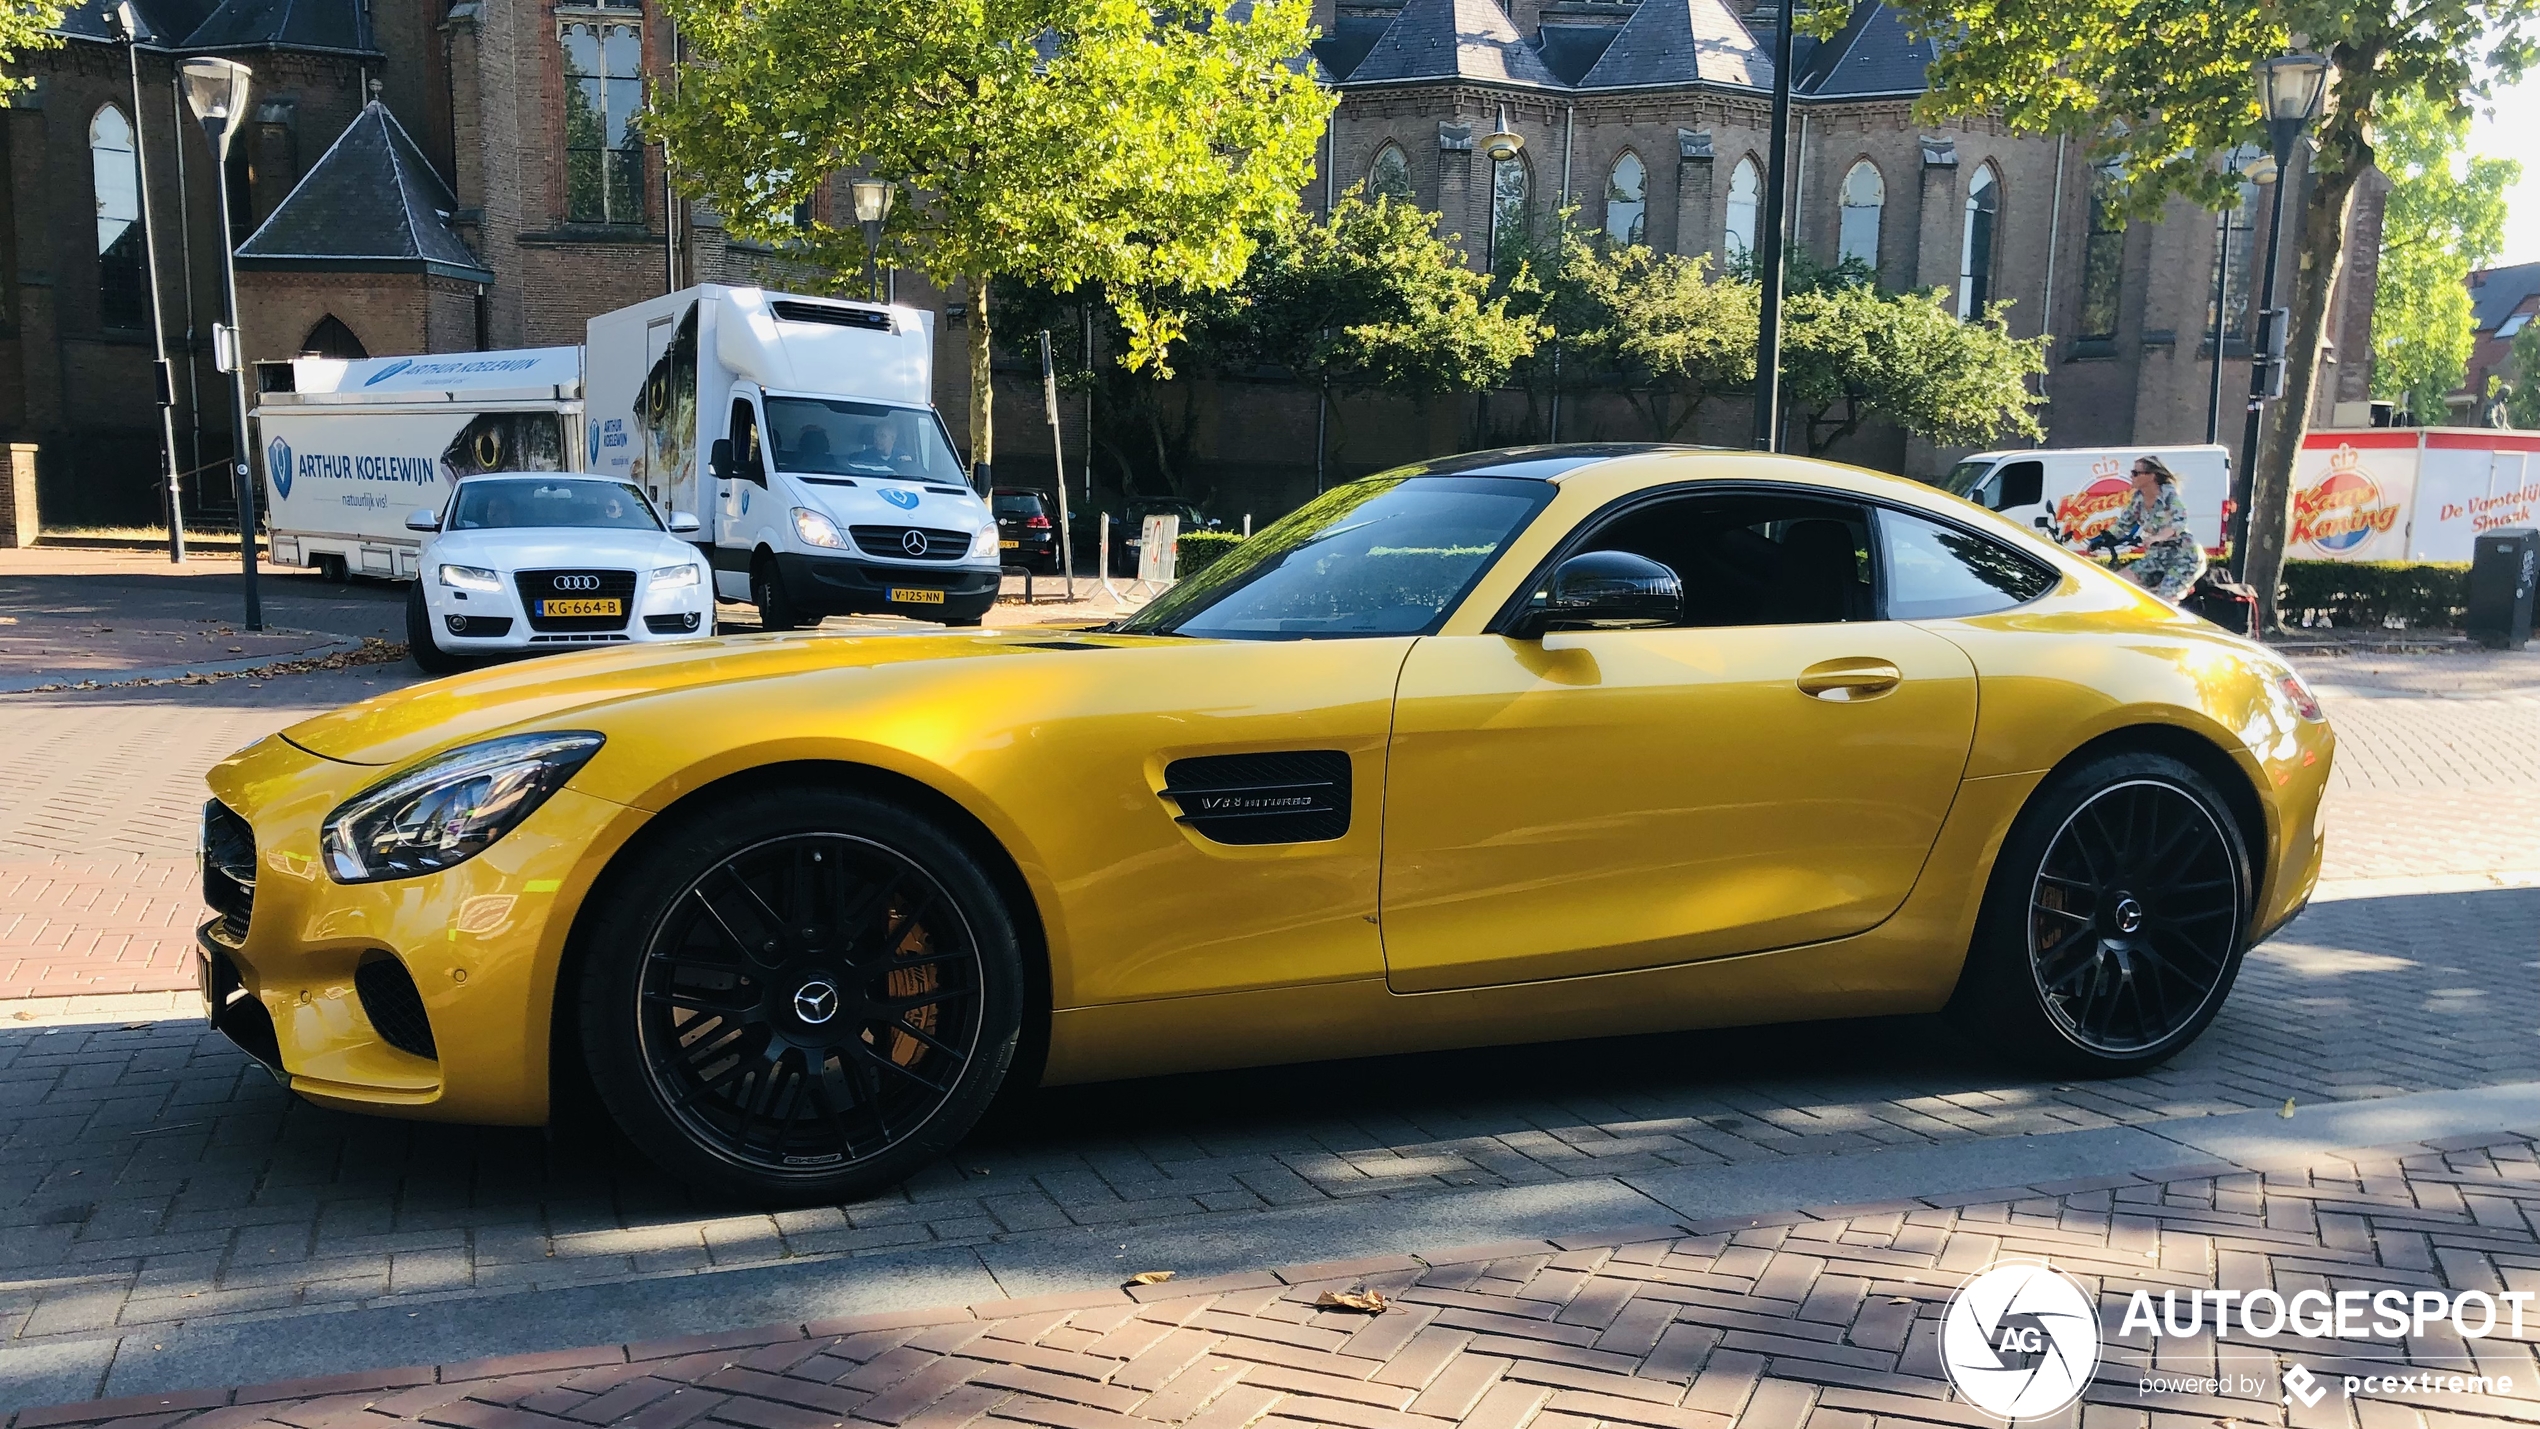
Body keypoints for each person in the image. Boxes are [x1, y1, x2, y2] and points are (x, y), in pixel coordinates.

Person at [2092, 455, 2205, 601]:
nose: (2131, 476)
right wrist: (2103, 539)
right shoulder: (2138, 499)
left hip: (2184, 556)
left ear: (2151, 476)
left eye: (2136, 473)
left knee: (2165, 600)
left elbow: (2179, 522)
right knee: (2120, 582)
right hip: (2157, 556)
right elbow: (2124, 523)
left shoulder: (2168, 495)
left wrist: (2158, 537)